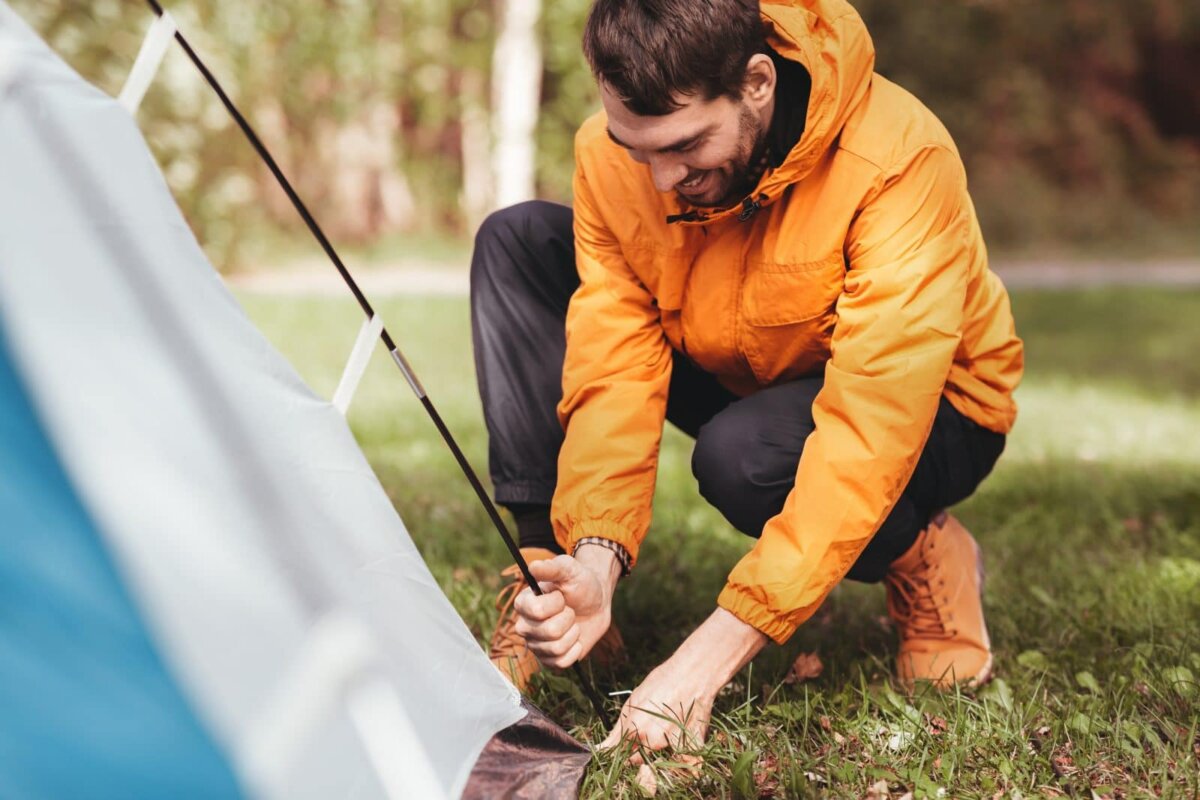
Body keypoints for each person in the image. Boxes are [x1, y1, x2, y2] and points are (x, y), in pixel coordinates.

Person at [470, 0, 1024, 752]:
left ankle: (924, 553)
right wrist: (594, 558)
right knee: (519, 240)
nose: (661, 178)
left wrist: (705, 659)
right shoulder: (613, 155)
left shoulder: (898, 157)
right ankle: (550, 582)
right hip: (744, 365)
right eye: (638, 148)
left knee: (745, 459)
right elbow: (614, 360)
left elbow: (870, 426)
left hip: (934, 407)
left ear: (757, 82)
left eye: (686, 144)